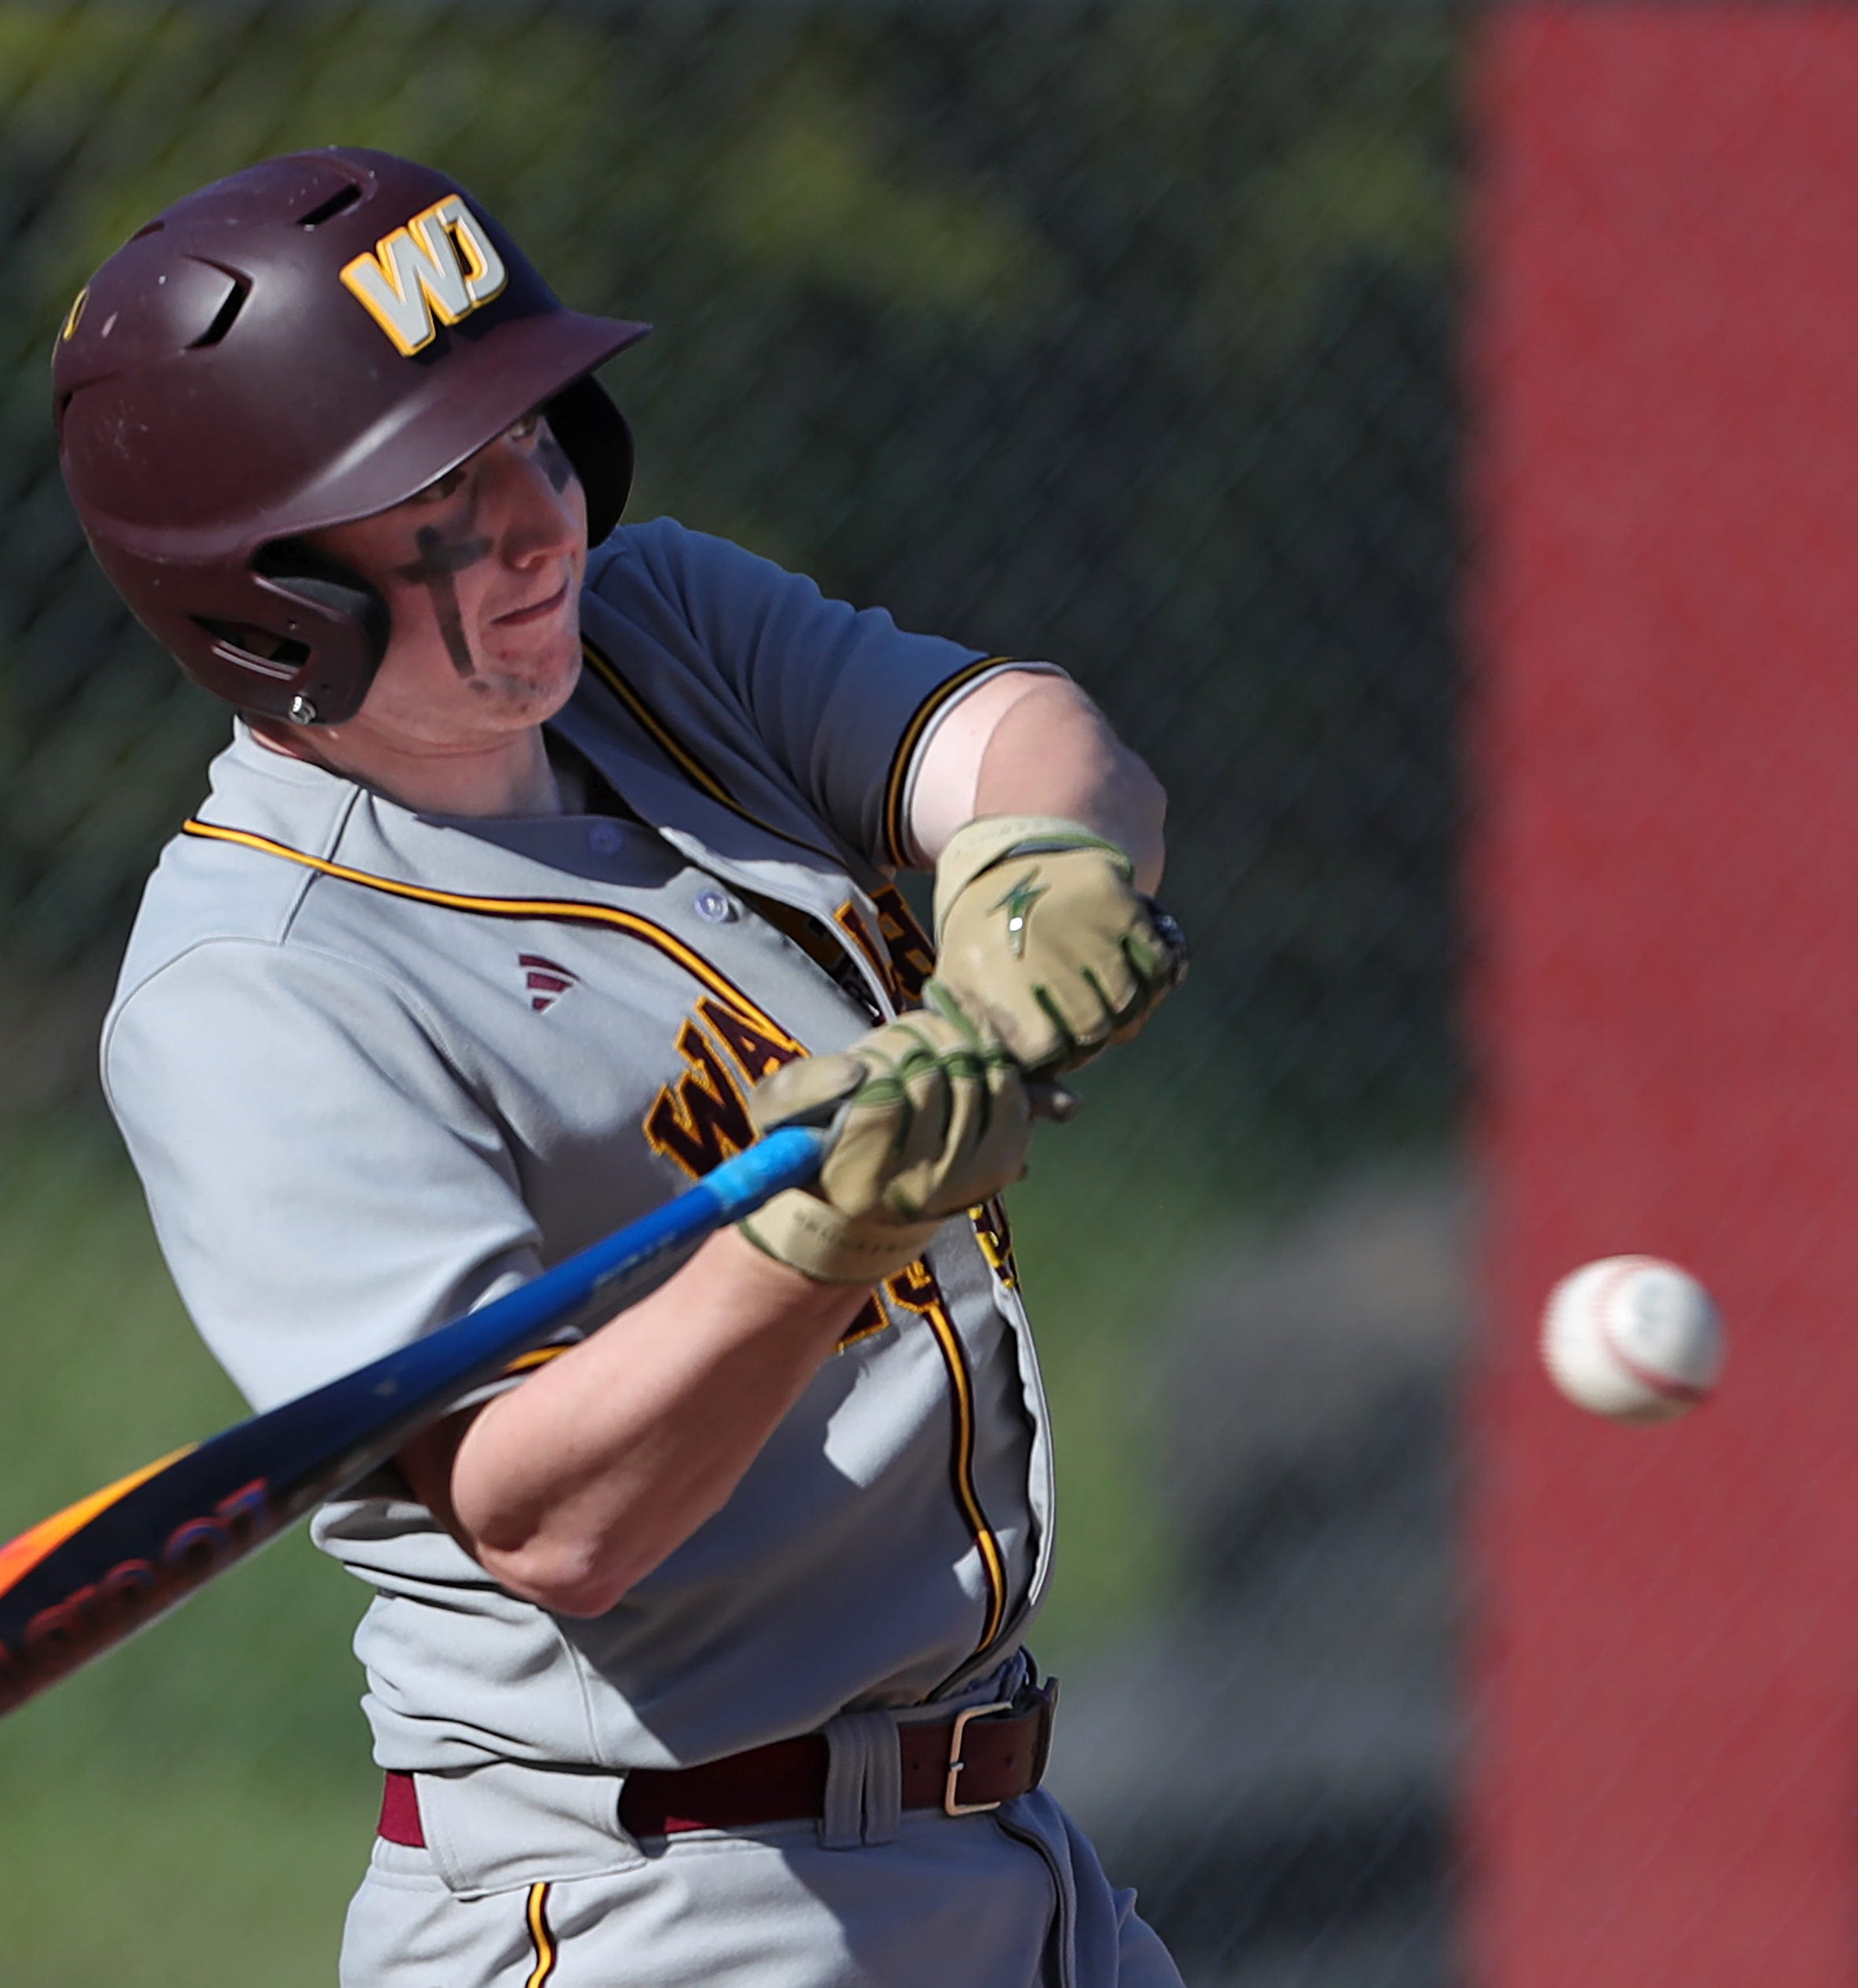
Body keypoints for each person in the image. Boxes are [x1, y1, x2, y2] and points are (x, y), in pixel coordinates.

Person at [57, 147, 1187, 1988]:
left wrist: (1026, 878)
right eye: (435, 485)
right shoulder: (254, 989)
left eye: (535, 434)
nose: (535, 519)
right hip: (661, 1907)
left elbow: (1017, 736)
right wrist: (815, 1228)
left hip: (1008, 1859)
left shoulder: (656, 641)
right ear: (262, 593)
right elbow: (547, 1511)